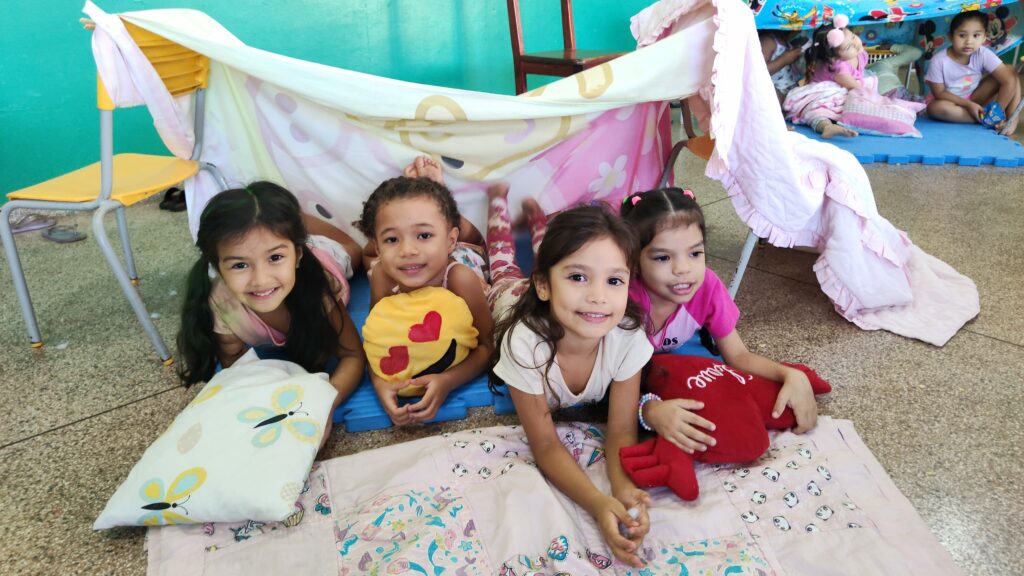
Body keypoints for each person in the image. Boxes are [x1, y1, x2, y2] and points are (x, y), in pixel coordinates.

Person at [490, 199, 653, 568]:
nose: (598, 296)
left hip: (545, 290)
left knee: (555, 250)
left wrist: (624, 492)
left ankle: (539, 222)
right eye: (578, 277)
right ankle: (503, 206)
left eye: (614, 280)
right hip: (507, 300)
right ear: (543, 286)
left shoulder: (627, 338)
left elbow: (621, 430)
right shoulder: (523, 343)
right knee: (501, 266)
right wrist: (597, 503)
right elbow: (545, 444)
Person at [620, 187, 818, 456]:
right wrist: (649, 410)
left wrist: (790, 374)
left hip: (678, 357)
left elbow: (738, 355)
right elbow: (604, 379)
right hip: (626, 372)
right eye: (663, 257)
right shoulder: (622, 297)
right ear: (634, 261)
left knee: (723, 386)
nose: (683, 269)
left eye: (695, 253)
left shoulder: (708, 287)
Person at [176, 182, 366, 441]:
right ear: (217, 268)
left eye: (275, 258)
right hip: (295, 248)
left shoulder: (321, 288)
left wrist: (323, 406)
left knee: (354, 250)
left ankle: (301, 222)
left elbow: (353, 355)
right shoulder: (221, 305)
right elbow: (239, 374)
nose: (261, 280)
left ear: (297, 255)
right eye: (240, 265)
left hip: (325, 256)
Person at [354, 161, 492, 426]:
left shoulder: (461, 279)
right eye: (392, 239)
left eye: (423, 235)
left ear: (449, 240)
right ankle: (423, 212)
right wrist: (380, 383)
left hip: (468, 255)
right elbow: (377, 341)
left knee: (477, 239)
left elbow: (488, 345)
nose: (408, 250)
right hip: (421, 259)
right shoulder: (382, 275)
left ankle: (440, 192)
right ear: (379, 247)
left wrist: (448, 381)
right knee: (368, 258)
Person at [925, 10, 1021, 136]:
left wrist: (997, 111)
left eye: (976, 35)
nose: (969, 42)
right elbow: (939, 93)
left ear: (984, 37)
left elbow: (1009, 80)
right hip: (950, 101)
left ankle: (1010, 118)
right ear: (951, 36)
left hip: (976, 97)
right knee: (935, 108)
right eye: (962, 35)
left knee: (1010, 72)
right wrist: (969, 105)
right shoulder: (938, 60)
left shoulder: (983, 53)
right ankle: (982, 119)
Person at [759, 29, 807, 105]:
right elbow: (759, 70)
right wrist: (784, 60)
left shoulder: (785, 41)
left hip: (790, 89)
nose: (799, 31)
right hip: (775, 89)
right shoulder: (768, 40)